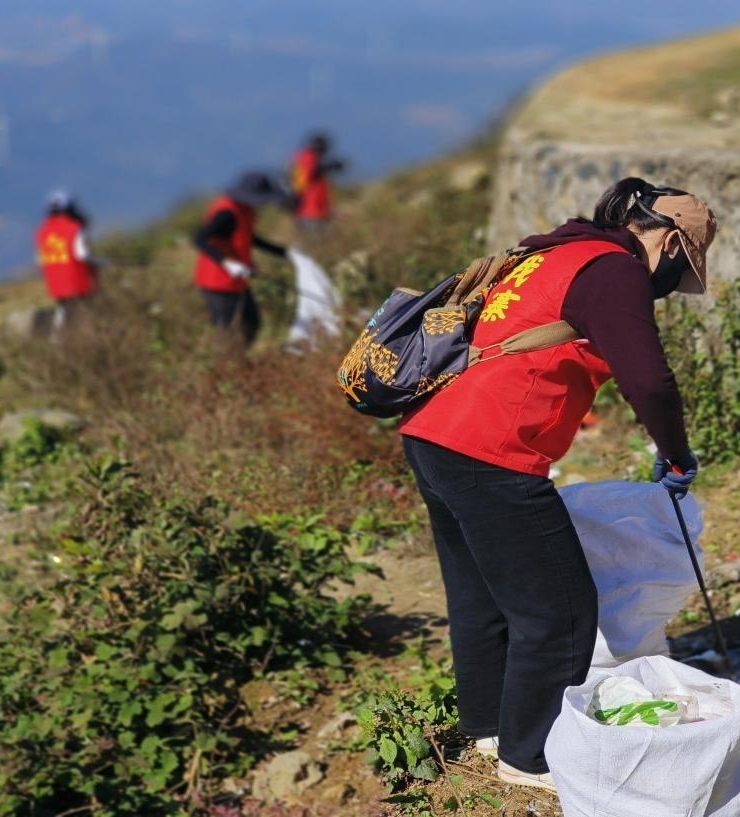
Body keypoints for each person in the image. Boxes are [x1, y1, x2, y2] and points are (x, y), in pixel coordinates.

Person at [398, 178, 717, 790]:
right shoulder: (614, 270)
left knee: (482, 596)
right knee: (561, 614)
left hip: (433, 434)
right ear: (671, 243)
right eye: (678, 275)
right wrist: (676, 454)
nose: (669, 291)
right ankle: (530, 759)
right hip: (490, 451)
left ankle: (489, 731)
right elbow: (648, 380)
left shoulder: (553, 252)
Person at [192, 171, 291, 346]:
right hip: (217, 282)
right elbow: (200, 239)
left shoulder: (245, 210)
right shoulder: (226, 213)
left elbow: (248, 238)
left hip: (237, 280)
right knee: (228, 328)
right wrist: (227, 263)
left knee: (251, 322)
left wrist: (284, 253)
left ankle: (238, 362)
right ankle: (226, 367)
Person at [35, 190, 99, 329]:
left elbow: (40, 258)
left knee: (63, 307)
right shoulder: (74, 229)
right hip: (76, 278)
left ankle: (57, 339)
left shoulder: (43, 232)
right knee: (87, 307)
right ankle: (91, 333)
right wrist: (99, 263)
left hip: (55, 279)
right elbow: (82, 254)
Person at [289, 132, 344, 232]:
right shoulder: (307, 157)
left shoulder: (306, 159)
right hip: (311, 214)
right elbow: (309, 174)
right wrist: (328, 167)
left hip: (314, 214)